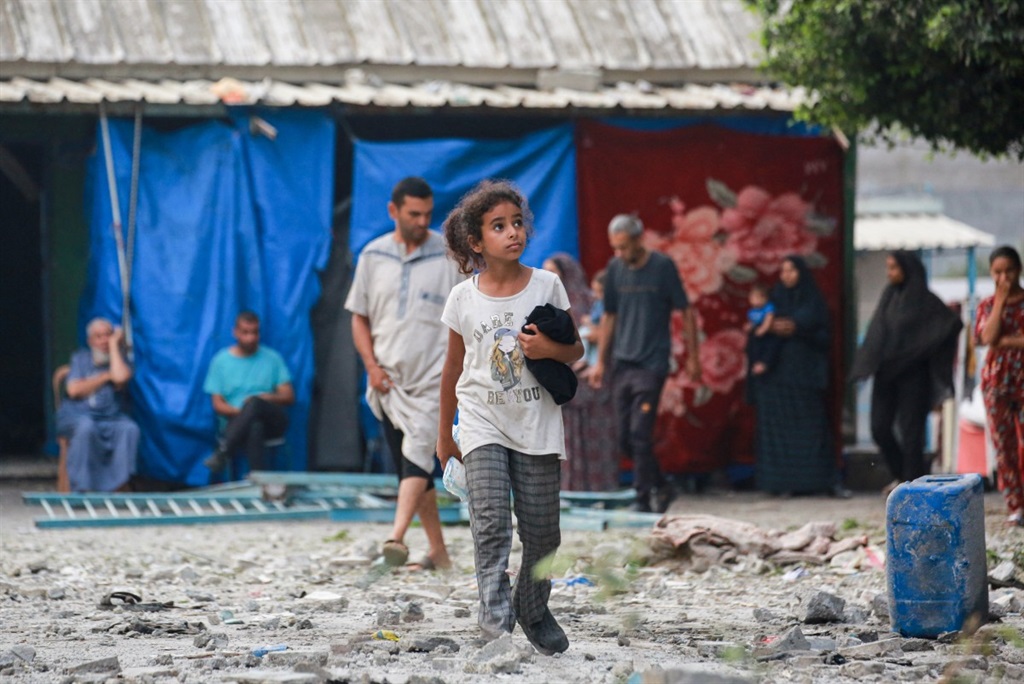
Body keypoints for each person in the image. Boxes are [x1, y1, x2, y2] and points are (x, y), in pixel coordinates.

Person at [436, 180, 583, 654]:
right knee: (491, 520)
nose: (512, 232)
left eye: (517, 223)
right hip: (480, 420)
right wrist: (444, 436)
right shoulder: (463, 297)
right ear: (476, 242)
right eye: (498, 226)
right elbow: (453, 369)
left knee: (542, 532)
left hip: (536, 424)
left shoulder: (547, 284)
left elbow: (576, 348)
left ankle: (532, 609)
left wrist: (548, 349)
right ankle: (495, 619)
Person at [345, 176, 462, 571]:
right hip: (388, 382)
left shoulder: (448, 256)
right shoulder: (372, 256)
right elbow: (359, 317)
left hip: (434, 380)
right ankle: (440, 553)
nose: (422, 220)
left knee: (416, 458)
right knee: (410, 466)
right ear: (393, 211)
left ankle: (395, 537)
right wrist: (372, 367)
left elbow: (466, 313)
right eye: (414, 213)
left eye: (428, 214)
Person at [588, 214, 701, 513]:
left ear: (639, 240)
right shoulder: (615, 269)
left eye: (624, 247)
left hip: (652, 363)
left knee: (640, 432)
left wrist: (693, 357)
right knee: (624, 436)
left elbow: (686, 311)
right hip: (622, 362)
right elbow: (609, 315)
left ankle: (642, 498)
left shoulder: (662, 267)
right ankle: (662, 486)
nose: (619, 254)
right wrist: (601, 361)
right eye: (615, 248)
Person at [850, 251, 963, 493]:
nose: (889, 273)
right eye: (888, 267)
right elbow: (877, 332)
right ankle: (901, 473)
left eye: (894, 268)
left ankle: (911, 484)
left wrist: (924, 353)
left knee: (911, 433)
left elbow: (950, 324)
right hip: (886, 373)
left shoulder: (925, 300)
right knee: (879, 428)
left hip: (914, 375)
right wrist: (866, 363)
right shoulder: (889, 295)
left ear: (907, 269)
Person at [750, 256, 836, 496]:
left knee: (810, 429)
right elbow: (758, 332)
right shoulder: (773, 303)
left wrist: (797, 328)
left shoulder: (813, 301)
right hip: (776, 378)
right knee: (779, 434)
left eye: (791, 270)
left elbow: (823, 337)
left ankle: (815, 482)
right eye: (783, 271)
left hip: (805, 378)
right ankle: (780, 484)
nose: (786, 275)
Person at [542, 255, 619, 492]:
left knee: (596, 437)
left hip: (593, 385)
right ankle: (570, 490)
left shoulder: (591, 302)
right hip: (566, 385)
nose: (550, 278)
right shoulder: (548, 305)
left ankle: (600, 490)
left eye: (554, 272)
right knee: (567, 440)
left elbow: (609, 335)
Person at [203, 311, 294, 475]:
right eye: (245, 332)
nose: (250, 338)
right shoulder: (221, 361)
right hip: (236, 421)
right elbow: (217, 405)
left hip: (272, 421)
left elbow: (288, 396)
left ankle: (223, 452)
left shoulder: (272, 358)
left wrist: (265, 399)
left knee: (255, 403)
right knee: (254, 425)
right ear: (235, 332)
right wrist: (246, 414)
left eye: (255, 332)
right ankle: (258, 481)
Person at [56, 317, 139, 492]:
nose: (103, 341)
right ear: (90, 341)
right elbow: (73, 390)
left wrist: (115, 347)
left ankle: (117, 485)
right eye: (98, 337)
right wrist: (104, 377)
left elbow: (120, 377)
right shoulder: (80, 358)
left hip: (111, 418)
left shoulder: (121, 362)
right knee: (86, 427)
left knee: (129, 429)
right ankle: (82, 488)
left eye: (107, 336)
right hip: (76, 416)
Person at [974, 246, 1024, 525]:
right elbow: (986, 337)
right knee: (1003, 446)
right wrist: (1002, 300)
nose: (1003, 277)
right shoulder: (988, 305)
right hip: (997, 383)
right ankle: (1016, 505)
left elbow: (997, 340)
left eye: (1009, 271)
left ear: (1019, 270)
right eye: (997, 272)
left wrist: (1005, 341)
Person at [745, 282, 780, 377]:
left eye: (755, 297)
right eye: (751, 297)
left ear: (764, 298)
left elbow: (769, 319)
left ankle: (765, 363)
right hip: (756, 333)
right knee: (753, 347)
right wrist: (749, 326)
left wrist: (764, 328)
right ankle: (756, 363)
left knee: (769, 347)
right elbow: (753, 321)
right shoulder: (753, 311)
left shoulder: (769, 308)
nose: (752, 300)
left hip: (768, 333)